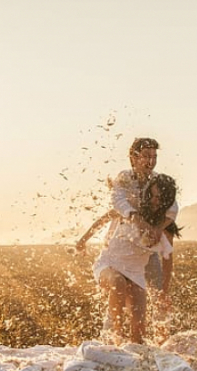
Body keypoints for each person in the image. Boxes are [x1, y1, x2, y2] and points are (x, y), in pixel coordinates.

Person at [77, 174, 180, 343]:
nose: (155, 201)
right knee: (118, 283)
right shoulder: (132, 208)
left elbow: (167, 261)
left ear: (167, 201)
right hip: (109, 264)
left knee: (138, 336)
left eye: (160, 198)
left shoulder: (165, 229)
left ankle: (131, 351)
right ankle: (117, 336)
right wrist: (83, 240)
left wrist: (164, 292)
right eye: (152, 196)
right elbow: (105, 218)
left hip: (135, 274)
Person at [78, 137, 180, 306]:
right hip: (123, 242)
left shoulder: (157, 181)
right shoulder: (125, 178)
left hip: (147, 248)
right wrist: (84, 239)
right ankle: (116, 328)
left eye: (154, 157)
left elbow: (173, 207)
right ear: (133, 157)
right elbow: (116, 204)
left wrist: (158, 229)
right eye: (146, 156)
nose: (151, 161)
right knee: (121, 289)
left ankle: (160, 327)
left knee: (157, 295)